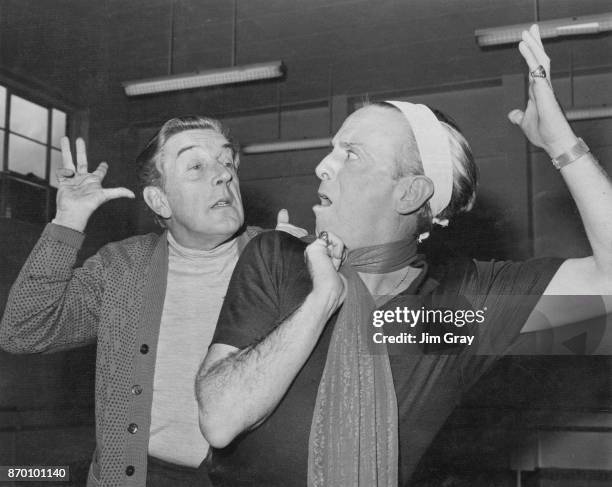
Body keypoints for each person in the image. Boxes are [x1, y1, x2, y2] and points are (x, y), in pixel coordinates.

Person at [195, 25, 612, 486]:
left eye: (350, 154)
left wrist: (561, 144)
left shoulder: (461, 305)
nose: (322, 164)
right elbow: (219, 418)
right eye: (332, 149)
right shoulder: (277, 257)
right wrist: (319, 303)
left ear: (410, 192)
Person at [0, 115, 306, 487]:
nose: (223, 174)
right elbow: (23, 331)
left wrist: (299, 274)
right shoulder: (120, 268)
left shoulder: (281, 262)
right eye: (196, 165)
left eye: (227, 162)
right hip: (135, 476)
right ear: (160, 200)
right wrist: (68, 220)